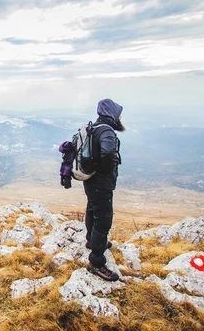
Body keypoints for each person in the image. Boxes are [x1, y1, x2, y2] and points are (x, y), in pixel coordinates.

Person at [84, 98, 125, 282]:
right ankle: (97, 262)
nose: (120, 117)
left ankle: (91, 240)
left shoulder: (94, 127)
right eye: (118, 113)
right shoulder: (107, 131)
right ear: (112, 115)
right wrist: (107, 170)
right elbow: (108, 153)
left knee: (92, 209)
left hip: (90, 179)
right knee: (103, 219)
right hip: (101, 183)